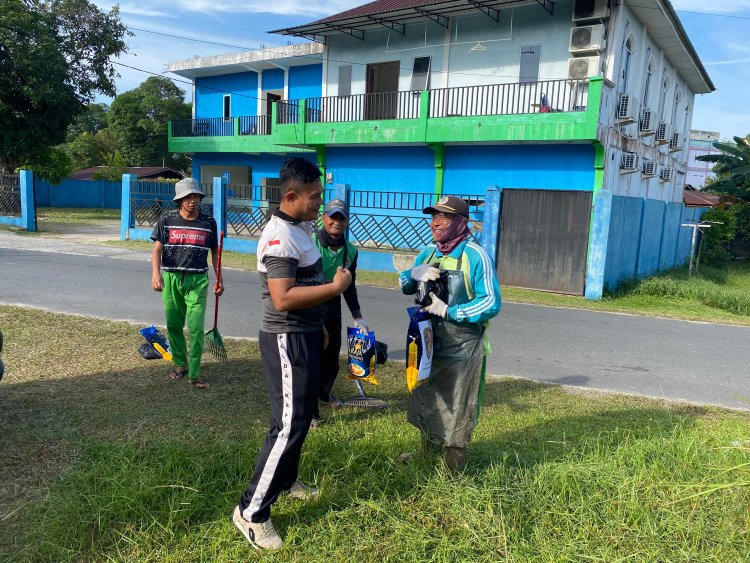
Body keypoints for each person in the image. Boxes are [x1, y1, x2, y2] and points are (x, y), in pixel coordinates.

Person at [232, 157, 352, 550]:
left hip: (304, 334)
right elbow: (283, 298)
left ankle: (285, 480)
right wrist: (335, 290)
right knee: (288, 424)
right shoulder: (280, 236)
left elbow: (305, 282)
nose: (321, 203)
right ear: (290, 196)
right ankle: (251, 512)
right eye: (315, 197)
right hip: (286, 339)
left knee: (298, 420)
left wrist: (317, 325)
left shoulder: (300, 228)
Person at [399, 195, 501, 473]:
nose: (436, 223)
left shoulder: (475, 256)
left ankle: (453, 470)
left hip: (462, 346)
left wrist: (450, 311)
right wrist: (413, 273)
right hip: (428, 342)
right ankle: (426, 455)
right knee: (428, 397)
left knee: (459, 405)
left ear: (460, 222)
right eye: (434, 217)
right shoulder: (428, 253)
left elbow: (491, 302)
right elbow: (403, 285)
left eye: (443, 217)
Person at [150, 178, 224, 389]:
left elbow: (215, 252)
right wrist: (156, 274)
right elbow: (157, 249)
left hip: (198, 279)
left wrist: (220, 279)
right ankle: (180, 364)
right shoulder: (166, 219)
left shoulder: (208, 222)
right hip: (172, 277)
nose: (193, 201)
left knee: (196, 327)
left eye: (196, 197)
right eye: (188, 197)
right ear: (179, 200)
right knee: (174, 324)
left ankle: (195, 373)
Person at [312, 198, 369, 425]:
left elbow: (349, 286)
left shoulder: (350, 251)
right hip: (311, 302)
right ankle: (310, 411)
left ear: (346, 222)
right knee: (313, 356)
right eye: (332, 217)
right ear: (324, 218)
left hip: (332, 304)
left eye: (341, 218)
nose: (336, 222)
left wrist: (358, 317)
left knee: (332, 356)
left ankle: (324, 392)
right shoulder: (311, 243)